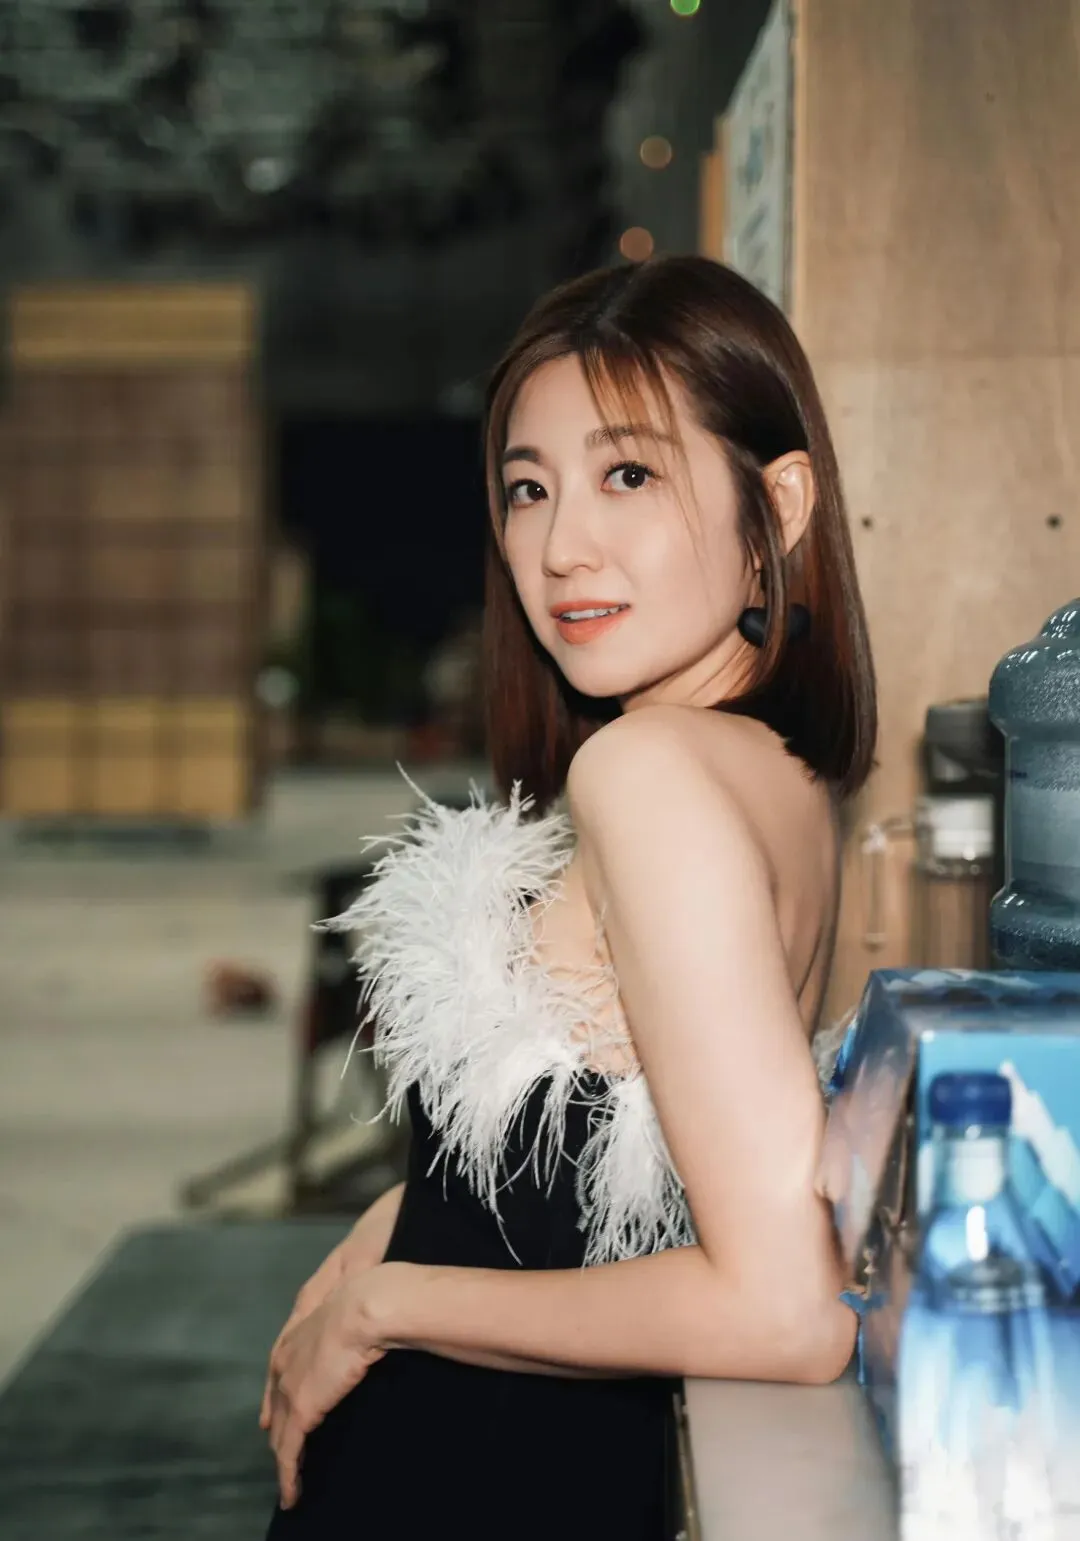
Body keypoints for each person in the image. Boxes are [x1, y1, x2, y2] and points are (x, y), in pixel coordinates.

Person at [261, 254, 877, 1540]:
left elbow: (788, 1309)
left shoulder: (648, 773)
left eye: (628, 475)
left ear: (779, 500)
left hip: (483, 1477)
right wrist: (408, 1214)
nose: (560, 546)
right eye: (528, 488)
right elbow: (619, 1153)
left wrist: (387, 1304)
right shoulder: (776, 773)